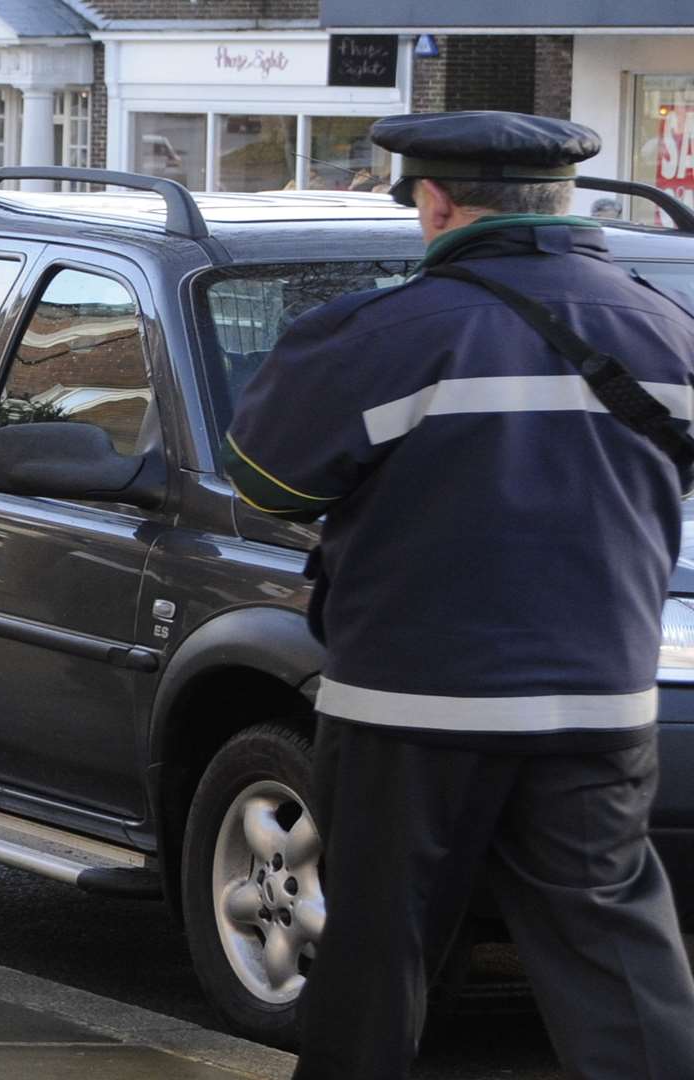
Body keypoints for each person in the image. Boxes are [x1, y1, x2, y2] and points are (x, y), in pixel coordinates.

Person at [224, 110, 694, 1078]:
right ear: (563, 201)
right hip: (599, 696)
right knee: (610, 948)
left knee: (378, 947)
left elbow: (273, 486)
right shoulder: (669, 326)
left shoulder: (381, 332)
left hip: (409, 699)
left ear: (433, 202)